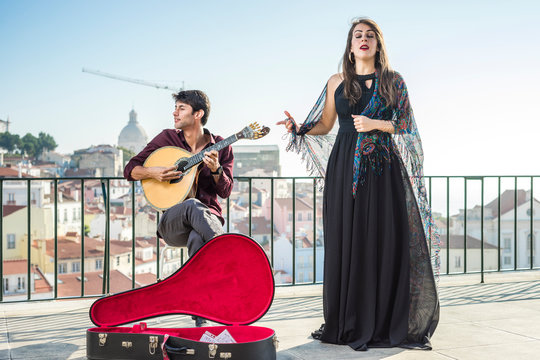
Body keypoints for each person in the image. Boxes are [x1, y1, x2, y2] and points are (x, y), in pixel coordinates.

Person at [277, 18, 439, 351]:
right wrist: (299, 129)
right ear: (350, 46)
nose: (363, 40)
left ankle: (383, 321)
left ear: (378, 44)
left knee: (383, 240)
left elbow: (406, 125)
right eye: (357, 36)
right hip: (344, 169)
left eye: (369, 36)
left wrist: (375, 123)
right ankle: (348, 320)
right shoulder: (337, 80)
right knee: (347, 240)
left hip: (383, 170)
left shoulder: (394, 81)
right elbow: (325, 124)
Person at [124, 90, 234, 326]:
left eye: (181, 108)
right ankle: (230, 261)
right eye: (175, 107)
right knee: (192, 205)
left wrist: (216, 170)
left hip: (207, 222)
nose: (174, 112)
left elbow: (225, 192)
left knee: (198, 239)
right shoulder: (166, 139)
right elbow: (130, 169)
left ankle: (200, 316)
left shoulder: (222, 147)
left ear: (198, 114)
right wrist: (153, 172)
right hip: (172, 223)